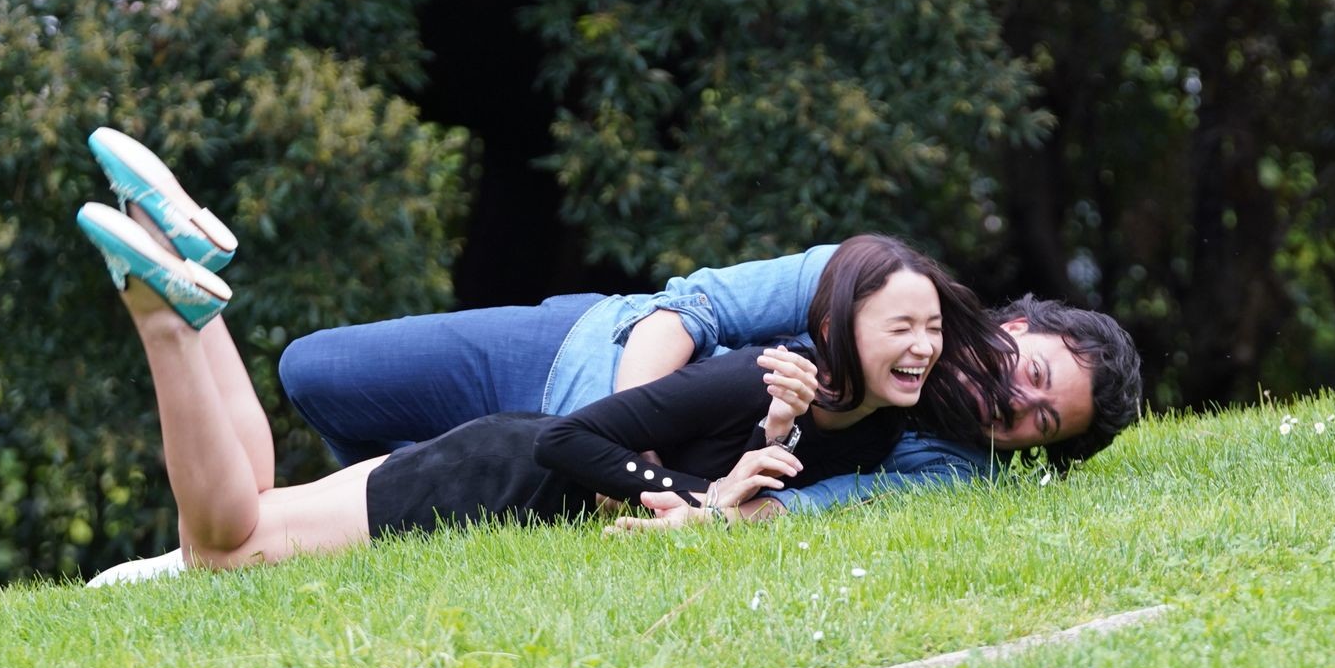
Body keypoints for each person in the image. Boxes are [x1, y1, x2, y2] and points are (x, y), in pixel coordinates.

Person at [74, 130, 1017, 570]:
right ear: (841, 325)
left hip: (505, 477)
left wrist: (747, 466)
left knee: (240, 516)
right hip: (498, 475)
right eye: (901, 328)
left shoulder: (866, 433)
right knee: (224, 550)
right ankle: (163, 317)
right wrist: (696, 497)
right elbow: (575, 438)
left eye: (934, 330)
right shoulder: (755, 369)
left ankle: (191, 286)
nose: (923, 347)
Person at [278, 241, 1144, 513]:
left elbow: (802, 509)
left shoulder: (948, 469)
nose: (1016, 402)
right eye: (1033, 373)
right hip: (574, 356)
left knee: (393, 508)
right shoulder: (877, 281)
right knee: (312, 371)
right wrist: (627, 454)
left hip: (581, 473)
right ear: (1017, 324)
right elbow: (686, 309)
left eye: (1041, 421)